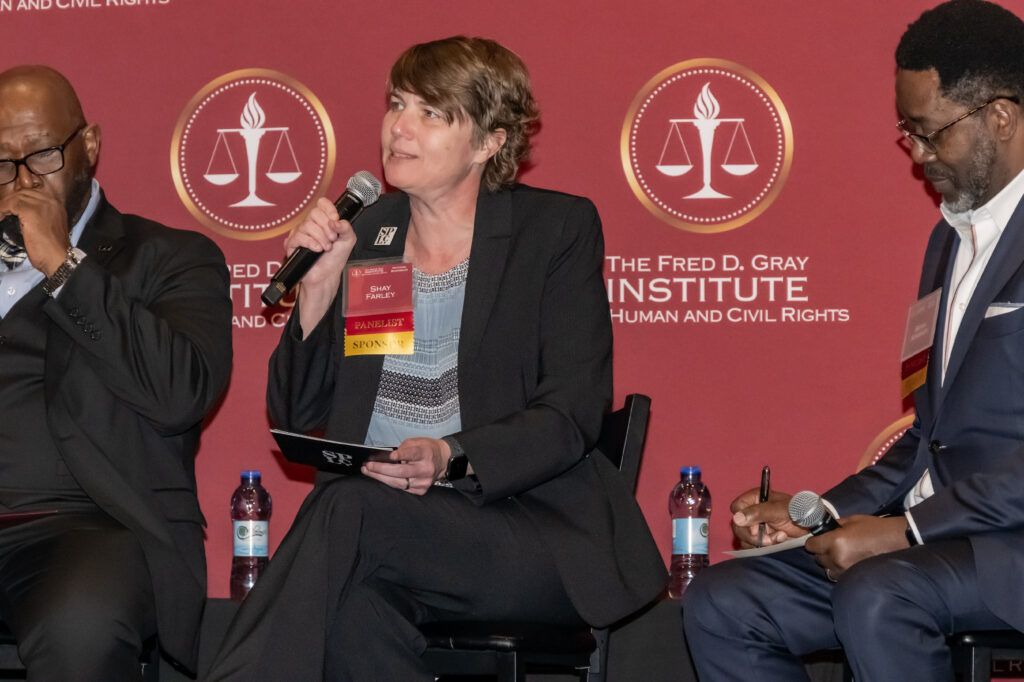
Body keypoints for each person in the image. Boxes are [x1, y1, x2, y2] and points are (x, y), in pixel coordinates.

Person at [205, 36, 666, 681]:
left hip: (526, 532)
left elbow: (571, 413)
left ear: (490, 142)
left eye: (432, 113)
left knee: (343, 509)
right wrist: (317, 292)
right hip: (387, 533)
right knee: (357, 611)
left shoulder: (552, 231)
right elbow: (299, 419)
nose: (401, 127)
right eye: (397, 104)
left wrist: (451, 453)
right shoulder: (367, 235)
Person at [682, 1, 1024, 679]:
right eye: (908, 134)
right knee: (725, 601)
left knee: (878, 593)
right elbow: (929, 436)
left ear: (1002, 116)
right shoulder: (947, 242)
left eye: (930, 133)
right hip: (942, 546)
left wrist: (906, 532)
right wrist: (823, 512)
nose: (917, 155)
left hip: (1002, 548)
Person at [0, 66, 232, 679]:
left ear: (90, 146)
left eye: (43, 155)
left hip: (89, 527)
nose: (22, 181)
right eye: (2, 163)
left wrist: (63, 266)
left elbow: (180, 394)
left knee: (82, 623)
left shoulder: (169, 258)